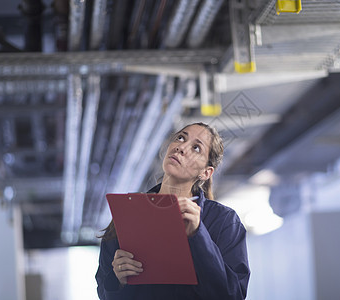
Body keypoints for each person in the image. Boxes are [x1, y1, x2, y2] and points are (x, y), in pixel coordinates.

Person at [95, 122, 250, 299]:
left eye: (196, 148)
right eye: (180, 138)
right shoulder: (127, 215)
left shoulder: (224, 221)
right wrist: (117, 280)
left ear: (205, 173)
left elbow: (232, 296)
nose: (181, 147)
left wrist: (198, 235)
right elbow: (104, 293)